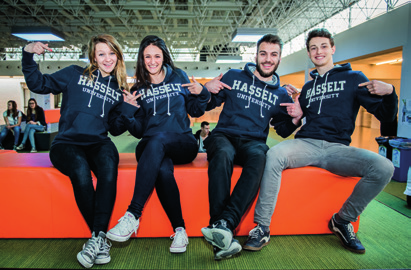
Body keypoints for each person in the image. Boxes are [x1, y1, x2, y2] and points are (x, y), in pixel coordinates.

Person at [244, 28, 398, 254]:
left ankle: (343, 220)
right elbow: (287, 129)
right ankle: (262, 227)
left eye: (324, 46)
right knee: (274, 154)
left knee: (384, 167)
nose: (319, 51)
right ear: (308, 53)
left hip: (337, 149)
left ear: (333, 49)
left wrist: (390, 92)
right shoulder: (307, 88)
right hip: (306, 144)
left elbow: (385, 115)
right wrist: (295, 117)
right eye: (314, 48)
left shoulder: (353, 78)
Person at [21, 34, 136, 268]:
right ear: (93, 55)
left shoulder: (118, 89)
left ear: (118, 56)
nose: (107, 58)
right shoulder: (75, 73)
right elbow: (38, 84)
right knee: (81, 172)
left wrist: (127, 109)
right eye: (101, 53)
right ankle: (100, 237)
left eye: (112, 53)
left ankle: (96, 239)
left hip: (98, 143)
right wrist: (28, 53)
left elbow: (114, 129)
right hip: (66, 143)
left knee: (108, 167)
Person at [200, 34, 302, 260]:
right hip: (224, 135)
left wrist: (296, 117)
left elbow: (283, 129)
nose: (267, 59)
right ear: (255, 55)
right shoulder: (234, 76)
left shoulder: (281, 94)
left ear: (279, 58)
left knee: (261, 157)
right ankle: (222, 227)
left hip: (254, 142)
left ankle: (224, 224)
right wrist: (207, 89)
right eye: (263, 53)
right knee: (224, 153)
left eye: (273, 55)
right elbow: (209, 104)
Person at [106, 35, 210, 254]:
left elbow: (195, 110)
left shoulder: (179, 76)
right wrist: (128, 111)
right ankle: (180, 230)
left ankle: (133, 214)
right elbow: (138, 131)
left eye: (156, 56)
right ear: (142, 60)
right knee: (162, 169)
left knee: (159, 139)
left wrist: (203, 93)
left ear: (164, 57)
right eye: (147, 57)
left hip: (182, 142)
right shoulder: (139, 89)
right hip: (151, 146)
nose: (152, 61)